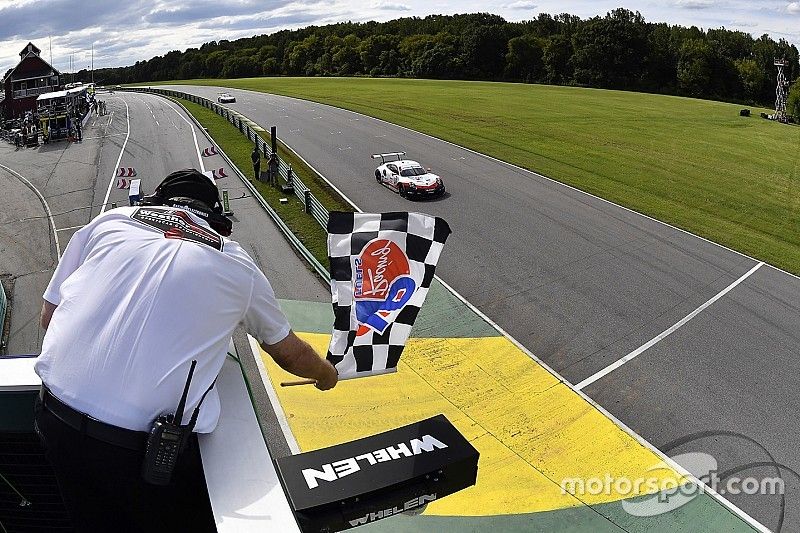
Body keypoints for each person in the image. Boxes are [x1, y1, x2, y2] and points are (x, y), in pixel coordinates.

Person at [34, 169, 337, 532]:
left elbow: (49, 316)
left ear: (156, 200)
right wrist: (325, 373)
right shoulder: (237, 262)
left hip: (54, 418)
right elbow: (288, 352)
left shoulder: (110, 220)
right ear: (215, 218)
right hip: (137, 453)